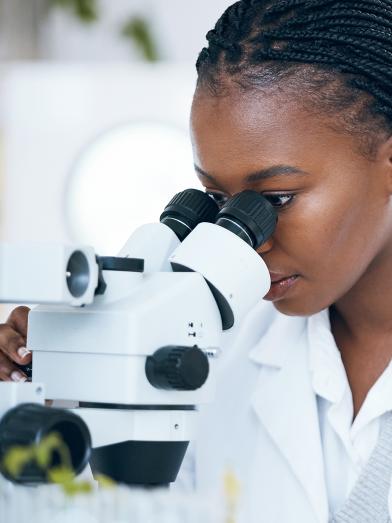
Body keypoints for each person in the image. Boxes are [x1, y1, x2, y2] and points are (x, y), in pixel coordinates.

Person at [1, 0, 392, 521]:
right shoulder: (214, 353)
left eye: (274, 199)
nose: (247, 240)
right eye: (215, 199)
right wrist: (76, 394)